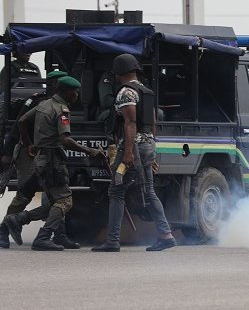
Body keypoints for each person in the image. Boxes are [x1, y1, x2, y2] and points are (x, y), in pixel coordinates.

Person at [2, 76, 103, 251]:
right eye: (75, 91)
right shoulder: (58, 108)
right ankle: (37, 235)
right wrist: (90, 150)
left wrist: (30, 145)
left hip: (41, 158)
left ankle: (24, 222)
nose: (77, 95)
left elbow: (22, 121)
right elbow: (65, 139)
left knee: (53, 200)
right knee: (63, 201)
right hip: (51, 162)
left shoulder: (43, 104)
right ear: (63, 90)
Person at [93, 53, 177, 252]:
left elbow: (130, 123)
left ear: (118, 73)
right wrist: (153, 150)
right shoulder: (146, 91)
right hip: (147, 145)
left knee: (116, 190)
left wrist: (128, 152)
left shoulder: (126, 93)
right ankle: (166, 235)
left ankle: (113, 241)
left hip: (133, 147)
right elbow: (153, 122)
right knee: (148, 190)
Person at [0, 70, 76, 249]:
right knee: (25, 193)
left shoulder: (60, 104)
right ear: (51, 84)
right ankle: (3, 230)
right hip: (30, 153)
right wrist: (13, 150)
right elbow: (19, 125)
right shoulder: (36, 100)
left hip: (47, 154)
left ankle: (59, 233)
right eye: (57, 83)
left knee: (57, 195)